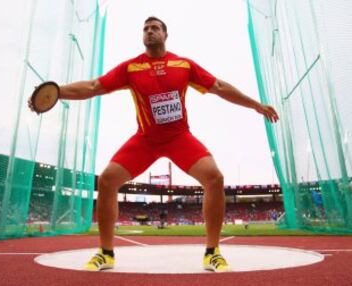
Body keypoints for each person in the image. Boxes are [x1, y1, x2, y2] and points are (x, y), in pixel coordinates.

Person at [29, 16, 279, 272]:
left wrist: (256, 105)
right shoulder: (131, 68)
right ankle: (106, 253)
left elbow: (219, 86)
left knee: (214, 178)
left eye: (155, 28)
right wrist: (56, 91)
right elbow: (93, 86)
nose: (149, 32)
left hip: (179, 137)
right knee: (106, 180)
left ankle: (212, 252)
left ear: (165, 34)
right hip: (146, 140)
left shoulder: (183, 65)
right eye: (145, 29)